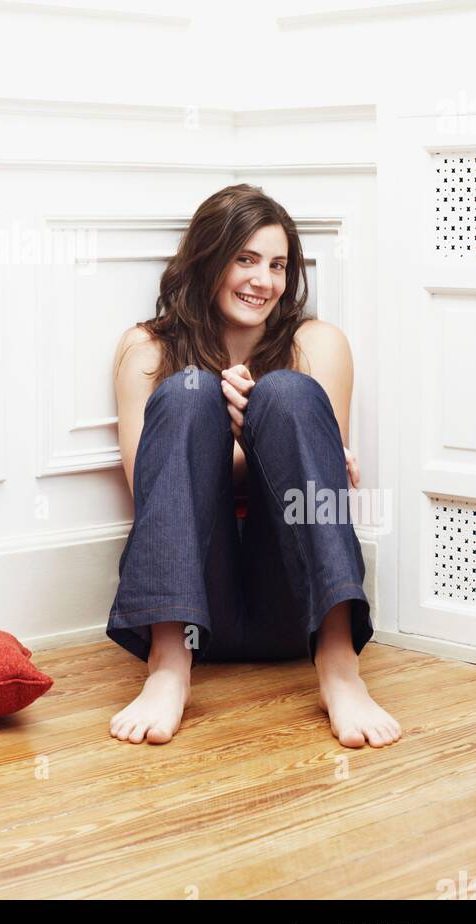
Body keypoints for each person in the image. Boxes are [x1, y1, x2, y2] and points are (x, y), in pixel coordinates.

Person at [106, 183, 401, 749]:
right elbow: (154, 490)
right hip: (190, 607)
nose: (262, 280)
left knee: (288, 394)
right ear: (209, 258)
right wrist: (233, 433)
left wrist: (265, 425)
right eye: (245, 259)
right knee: (188, 392)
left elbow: (319, 492)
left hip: (293, 606)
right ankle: (168, 669)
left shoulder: (318, 344)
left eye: (278, 264)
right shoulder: (145, 349)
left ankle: (340, 668)